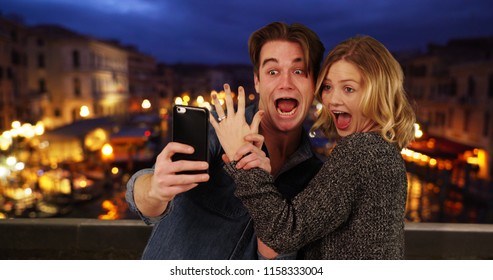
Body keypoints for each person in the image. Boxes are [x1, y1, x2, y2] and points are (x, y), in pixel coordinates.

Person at [125, 22, 325, 259]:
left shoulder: (318, 178)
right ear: (257, 81)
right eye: (273, 71)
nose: (286, 83)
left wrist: (255, 181)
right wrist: (156, 189)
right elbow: (144, 201)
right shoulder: (215, 129)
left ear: (315, 85)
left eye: (299, 71)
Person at [210, 35, 416, 259]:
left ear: (377, 91)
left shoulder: (360, 151)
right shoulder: (384, 151)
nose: (333, 100)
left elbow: (281, 235)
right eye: (327, 87)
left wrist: (242, 158)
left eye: (348, 89)